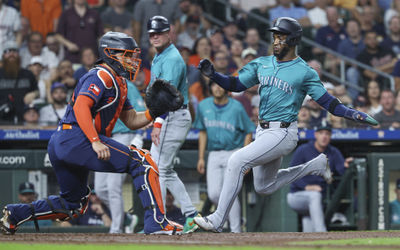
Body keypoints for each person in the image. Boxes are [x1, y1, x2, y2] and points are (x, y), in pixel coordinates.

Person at [194, 17, 378, 232]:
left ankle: (218, 219)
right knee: (263, 186)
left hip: (283, 132)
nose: (276, 41)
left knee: (237, 160)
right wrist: (214, 75)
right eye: (274, 37)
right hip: (262, 131)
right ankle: (314, 166)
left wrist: (353, 113)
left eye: (280, 37)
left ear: (292, 40)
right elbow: (235, 84)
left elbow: (328, 102)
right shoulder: (262, 63)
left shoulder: (304, 71)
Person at [0, 31, 184, 235]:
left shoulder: (119, 82)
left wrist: (154, 112)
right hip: (77, 138)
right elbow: (81, 106)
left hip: (65, 141)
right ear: (110, 53)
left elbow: (132, 120)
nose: (132, 60)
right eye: (127, 55)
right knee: (143, 161)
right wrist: (95, 141)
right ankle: (156, 223)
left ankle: (15, 214)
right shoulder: (101, 74)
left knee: (73, 203)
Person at [146, 15, 200, 234]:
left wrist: (157, 122)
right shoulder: (160, 56)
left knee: (157, 169)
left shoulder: (172, 59)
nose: (155, 36)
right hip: (169, 116)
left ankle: (159, 220)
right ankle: (191, 215)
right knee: (162, 169)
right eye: (152, 33)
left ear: (169, 33)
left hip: (172, 116)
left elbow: (167, 97)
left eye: (159, 32)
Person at [193, 80, 255, 233]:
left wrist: (245, 157)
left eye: (220, 85)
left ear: (227, 90)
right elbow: (202, 132)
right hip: (213, 153)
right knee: (214, 193)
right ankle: (230, 219)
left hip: (233, 153)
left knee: (229, 192)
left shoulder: (236, 107)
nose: (217, 87)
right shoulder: (203, 105)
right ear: (210, 88)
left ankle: (235, 230)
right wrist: (201, 157)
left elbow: (248, 131)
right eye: (214, 85)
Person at [94, 78, 147, 234]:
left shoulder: (127, 85)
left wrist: (140, 136)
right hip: (104, 138)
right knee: (101, 189)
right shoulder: (99, 85)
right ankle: (127, 218)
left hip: (123, 136)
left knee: (113, 187)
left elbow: (139, 113)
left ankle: (116, 230)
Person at [287, 124, 349, 232]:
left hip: (319, 199)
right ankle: (321, 232)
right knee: (314, 196)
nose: (324, 136)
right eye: (321, 133)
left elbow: (342, 171)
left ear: (330, 136)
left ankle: (310, 243)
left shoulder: (333, 152)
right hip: (296, 196)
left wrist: (346, 165)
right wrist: (307, 187)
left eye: (327, 134)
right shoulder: (303, 150)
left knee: (309, 222)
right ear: (316, 135)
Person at [0, 41, 38, 124]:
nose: (11, 54)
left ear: (19, 55)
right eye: (8, 51)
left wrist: (34, 94)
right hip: (2, 118)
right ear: (3, 56)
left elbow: (37, 91)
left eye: (14, 51)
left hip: (25, 118)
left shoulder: (28, 74)